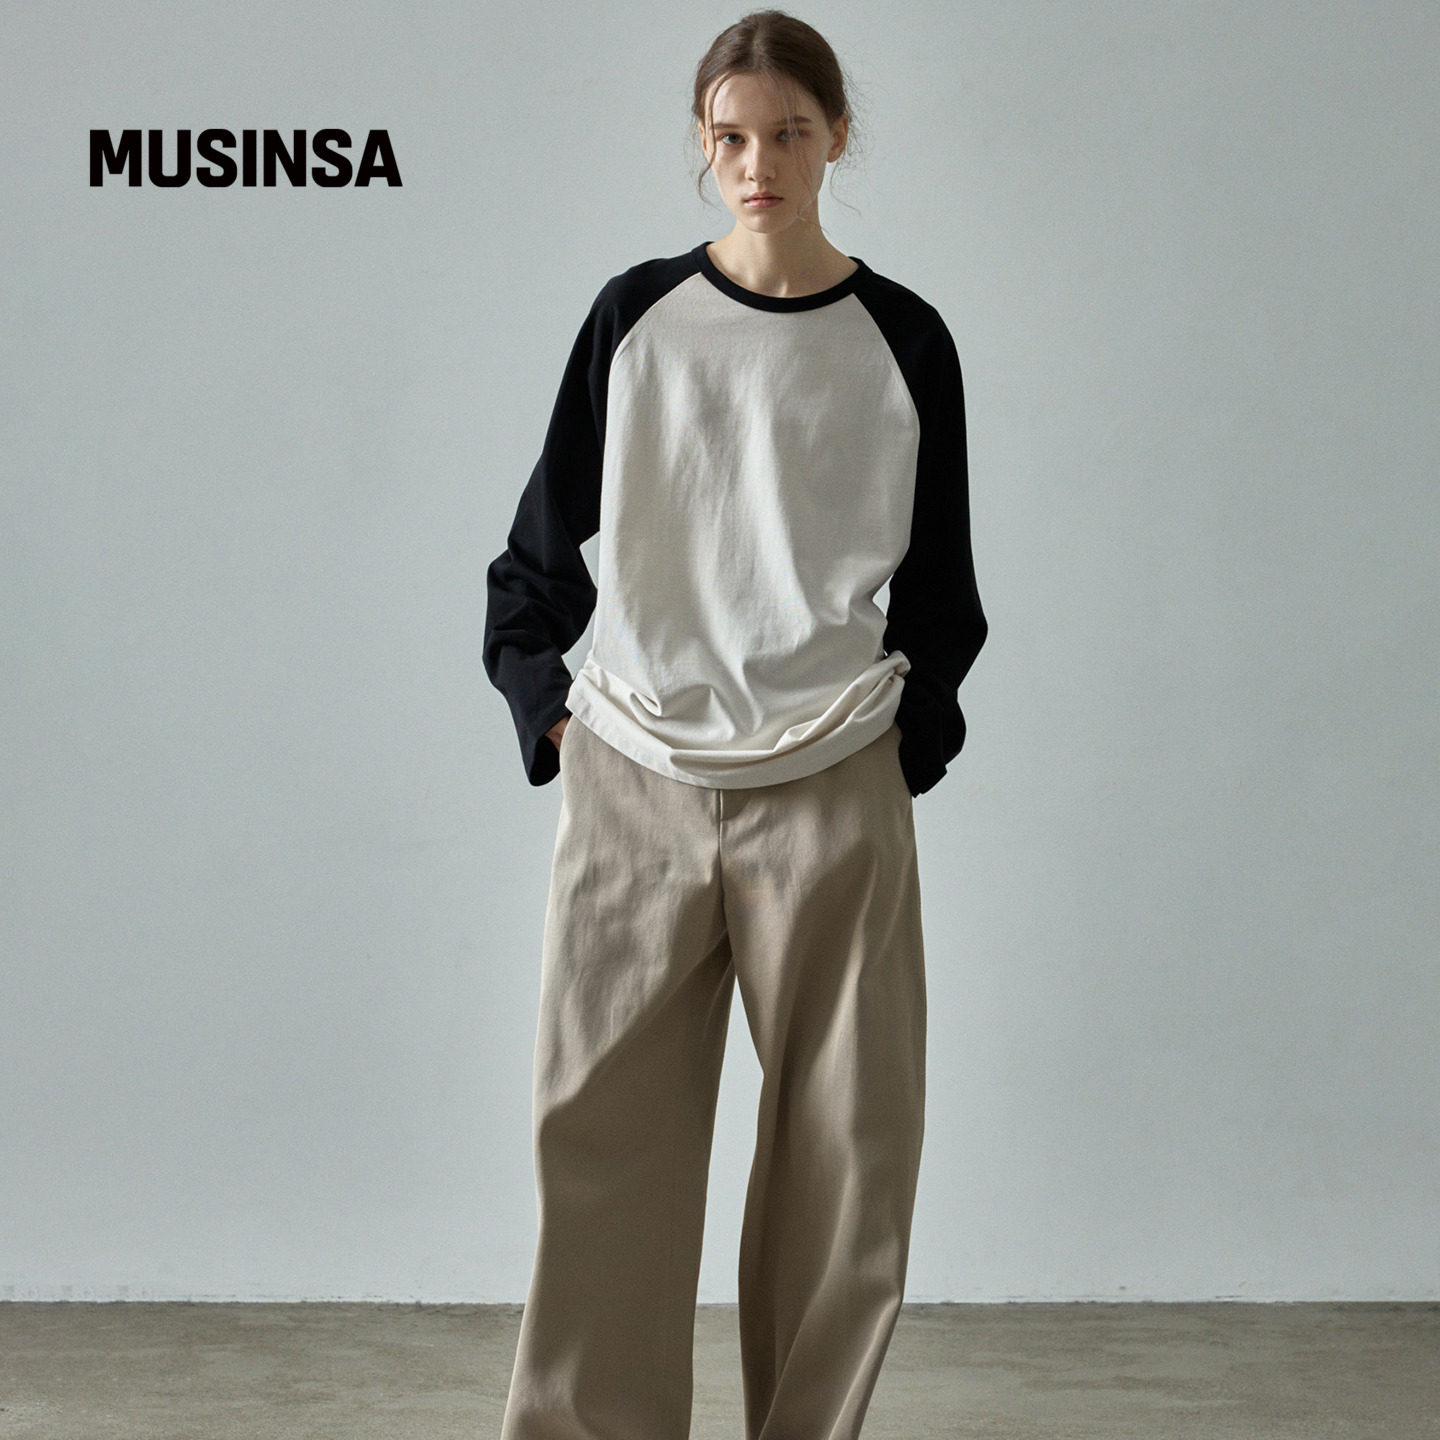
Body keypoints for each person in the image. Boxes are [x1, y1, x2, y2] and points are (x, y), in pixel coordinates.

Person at [483, 10, 987, 1437]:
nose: (758, 163)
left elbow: (942, 590)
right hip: (634, 779)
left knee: (848, 1161)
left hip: (834, 785)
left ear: (836, 139)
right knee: (600, 1146)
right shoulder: (635, 319)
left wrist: (901, 750)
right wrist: (552, 717)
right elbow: (534, 560)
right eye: (731, 138)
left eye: (789, 133)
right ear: (701, 147)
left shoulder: (905, 340)